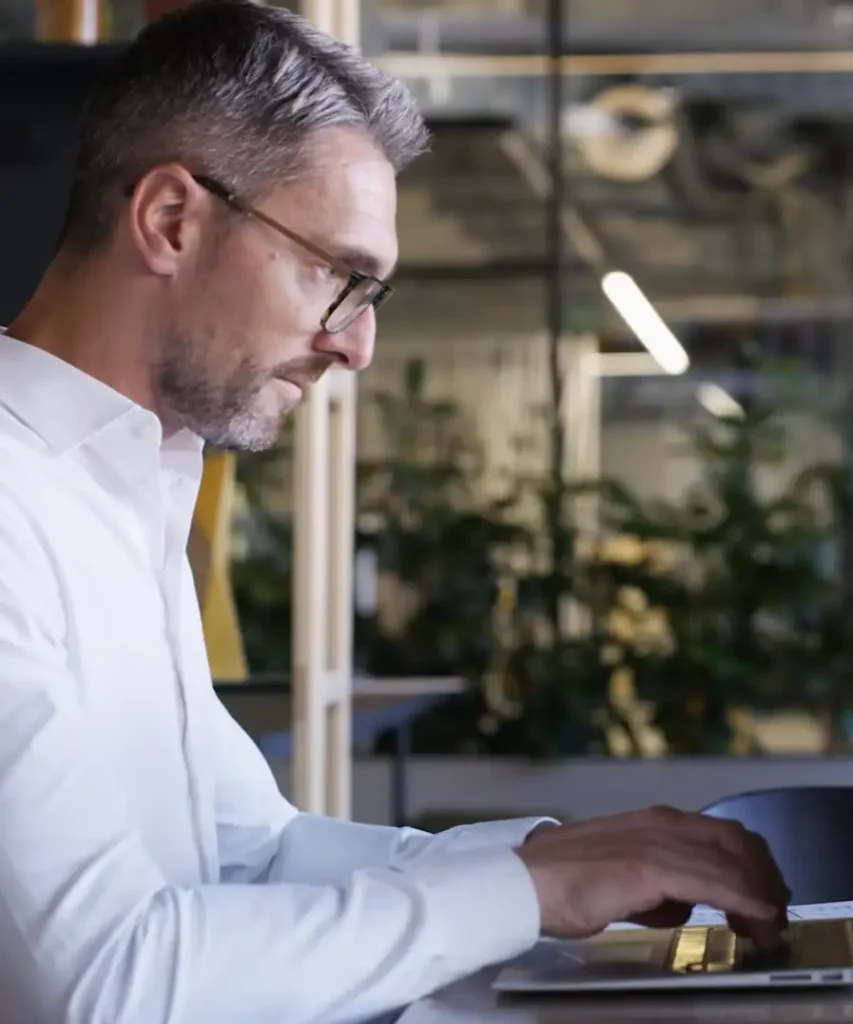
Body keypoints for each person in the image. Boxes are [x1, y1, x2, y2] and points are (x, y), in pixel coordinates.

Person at [0, 2, 789, 1021]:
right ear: (171, 221)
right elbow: (110, 983)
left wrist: (557, 862)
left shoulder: (127, 484)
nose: (356, 347)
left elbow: (252, 852)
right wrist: (528, 890)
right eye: (341, 277)